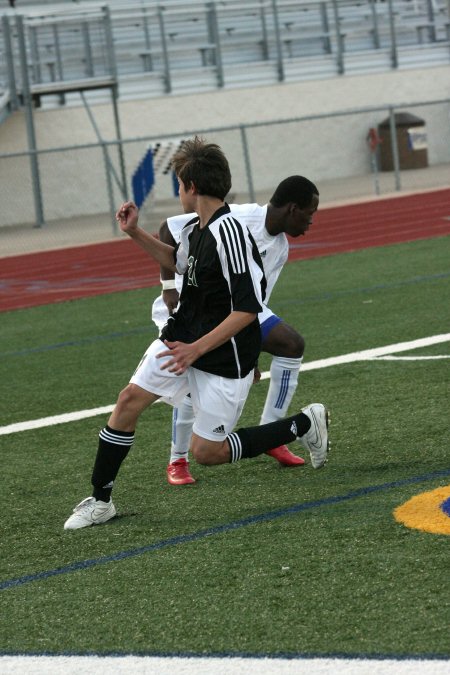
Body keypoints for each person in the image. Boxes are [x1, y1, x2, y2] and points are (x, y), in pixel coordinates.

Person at [64, 136, 329, 530]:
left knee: (208, 452)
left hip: (224, 354)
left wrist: (196, 350)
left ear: (190, 187)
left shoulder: (231, 235)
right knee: (128, 401)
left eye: (179, 186)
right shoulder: (198, 226)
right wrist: (134, 232)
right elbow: (176, 259)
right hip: (183, 335)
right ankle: (101, 501)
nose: (179, 193)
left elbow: (247, 309)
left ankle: (304, 423)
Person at [153, 176, 320, 485]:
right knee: (193, 374)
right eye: (310, 213)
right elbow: (168, 229)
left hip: (235, 312)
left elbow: (255, 304)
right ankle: (177, 459)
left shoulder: (280, 247)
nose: (312, 221)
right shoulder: (238, 218)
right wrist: (168, 287)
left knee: (291, 344)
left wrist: (249, 353)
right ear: (294, 208)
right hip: (196, 307)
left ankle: (273, 436)